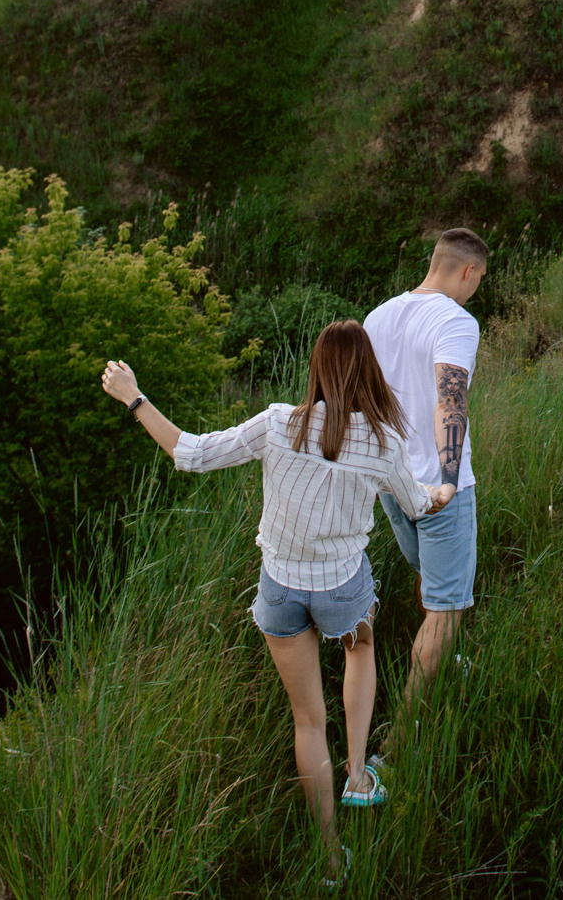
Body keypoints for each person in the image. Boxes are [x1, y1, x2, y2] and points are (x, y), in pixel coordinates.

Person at [102, 323, 450, 884]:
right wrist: (439, 494)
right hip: (342, 586)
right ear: (368, 372)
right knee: (361, 652)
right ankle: (359, 775)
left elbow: (190, 452)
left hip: (280, 590)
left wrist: (135, 398)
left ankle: (332, 861)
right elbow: (414, 505)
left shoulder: (277, 424)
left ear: (316, 368)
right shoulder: (385, 442)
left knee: (307, 721)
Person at [362, 227, 487, 723]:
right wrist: (449, 478)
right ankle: (397, 743)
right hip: (437, 488)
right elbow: (449, 400)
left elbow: (363, 404)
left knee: (428, 580)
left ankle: (442, 661)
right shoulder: (457, 321)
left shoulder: (378, 316)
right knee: (448, 609)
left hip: (392, 483)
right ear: (468, 271)